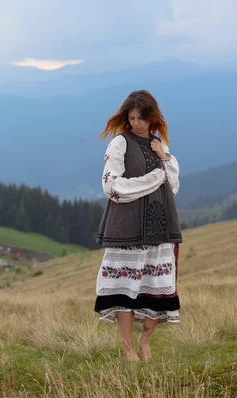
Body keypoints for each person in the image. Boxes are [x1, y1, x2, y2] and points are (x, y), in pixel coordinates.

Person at [94, 89, 182, 361]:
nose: (136, 123)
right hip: (127, 227)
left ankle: (144, 340)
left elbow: (174, 186)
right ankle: (128, 349)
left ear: (152, 118)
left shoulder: (159, 144)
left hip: (161, 226)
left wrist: (165, 158)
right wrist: (151, 180)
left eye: (141, 118)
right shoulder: (119, 144)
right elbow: (111, 186)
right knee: (124, 291)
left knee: (159, 287)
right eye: (131, 117)